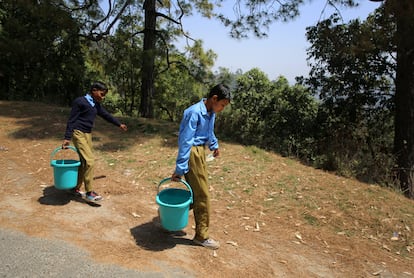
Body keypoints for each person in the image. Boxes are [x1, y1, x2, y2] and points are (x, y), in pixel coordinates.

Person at [171, 83, 232, 250]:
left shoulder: (210, 111)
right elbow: (185, 141)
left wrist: (214, 145)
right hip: (193, 153)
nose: (222, 108)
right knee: (202, 195)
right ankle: (201, 236)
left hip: (200, 152)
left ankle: (171, 220)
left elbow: (208, 131)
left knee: (196, 192)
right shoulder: (193, 112)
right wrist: (180, 169)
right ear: (214, 99)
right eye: (222, 105)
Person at [62, 81, 127, 201]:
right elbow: (72, 119)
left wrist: (119, 124)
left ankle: (75, 188)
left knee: (84, 162)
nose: (103, 97)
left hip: (88, 134)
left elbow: (106, 115)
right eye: (101, 94)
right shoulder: (80, 101)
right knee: (90, 161)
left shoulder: (95, 105)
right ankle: (89, 192)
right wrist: (67, 137)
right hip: (78, 133)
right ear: (94, 90)